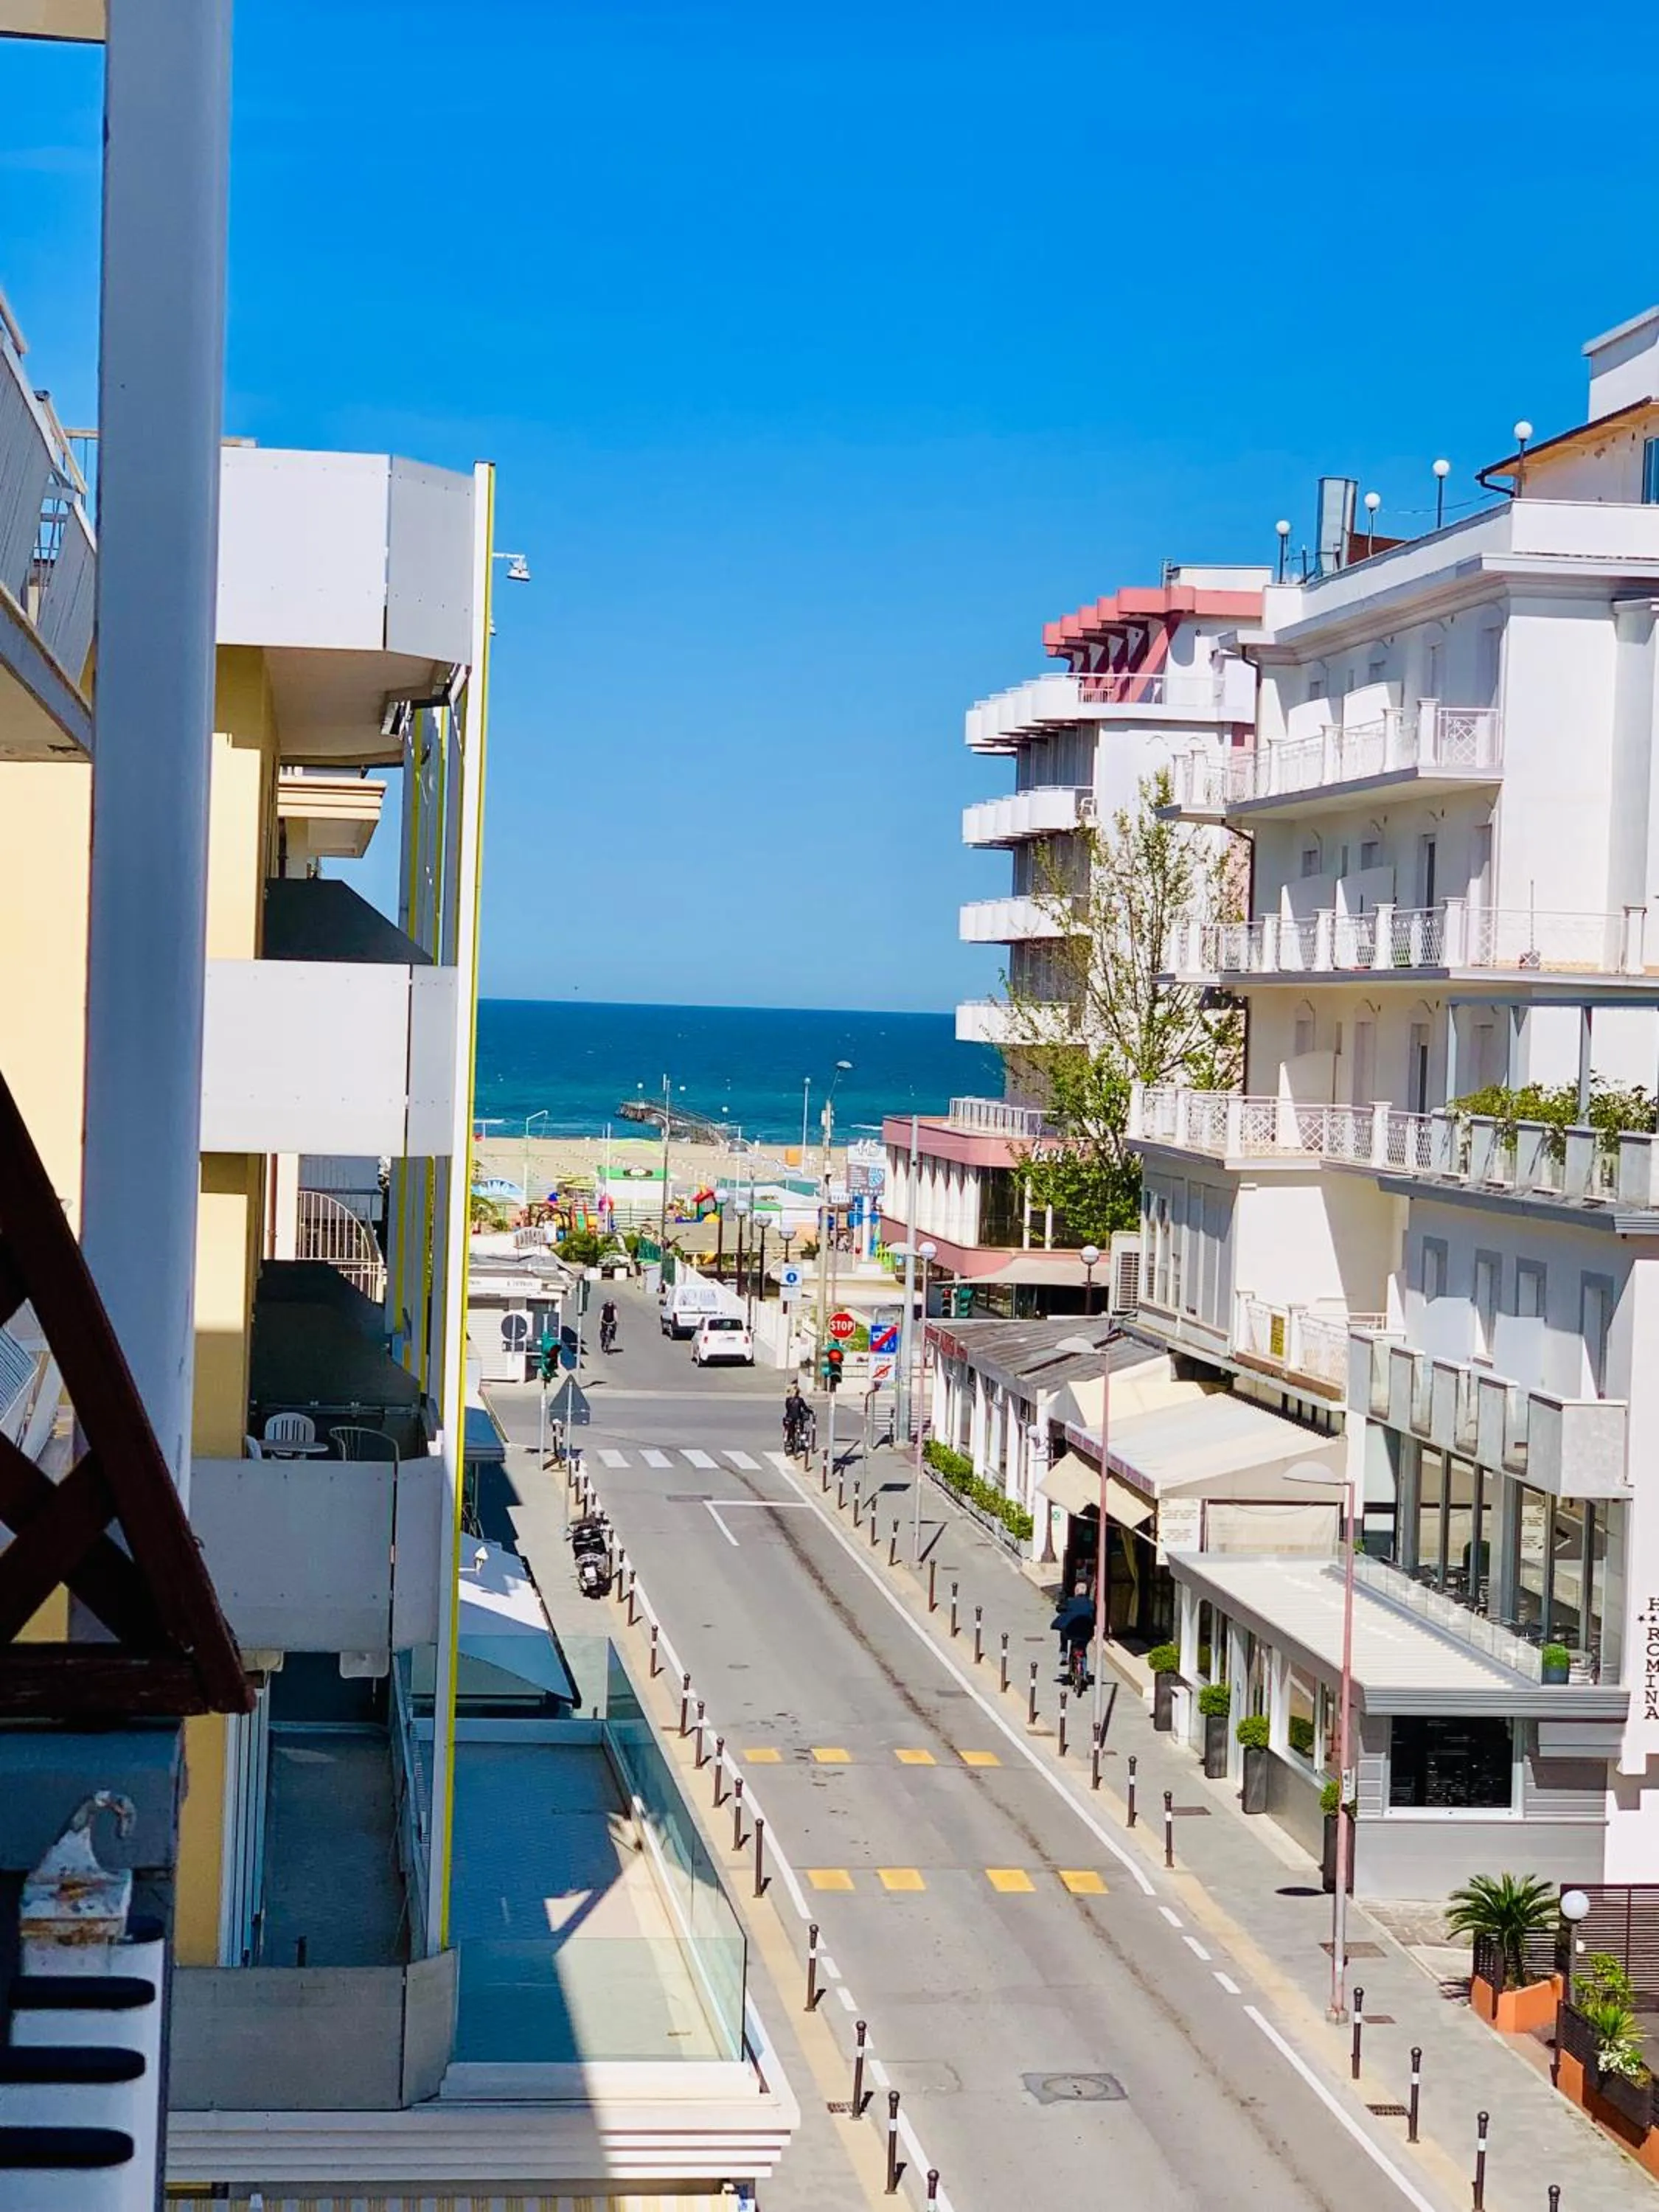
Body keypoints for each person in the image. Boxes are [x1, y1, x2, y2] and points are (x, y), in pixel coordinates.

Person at [1051, 1585, 1095, 1683]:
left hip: (1072, 1631)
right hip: (1086, 1632)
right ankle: (1084, 1675)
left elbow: (1060, 1608)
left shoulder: (1070, 1601)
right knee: (1083, 1650)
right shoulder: (1091, 1604)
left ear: (1076, 1591)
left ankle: (1064, 1653)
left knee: (1063, 1632)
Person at [782, 1380, 807, 1450]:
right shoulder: (800, 1400)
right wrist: (811, 1411)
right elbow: (805, 1408)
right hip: (798, 1418)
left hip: (789, 1418)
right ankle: (802, 1441)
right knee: (801, 1427)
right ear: (798, 1393)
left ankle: (788, 1439)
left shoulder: (788, 1400)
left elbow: (787, 1408)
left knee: (790, 1428)